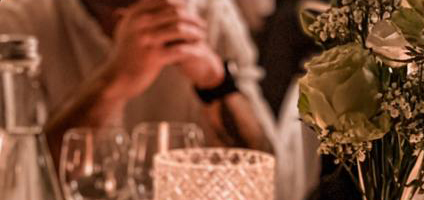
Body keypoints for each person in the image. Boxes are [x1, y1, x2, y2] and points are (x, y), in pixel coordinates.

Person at [0, 0, 275, 162]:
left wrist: (216, 83)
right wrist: (112, 83)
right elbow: (17, 190)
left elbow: (270, 190)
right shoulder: (18, 21)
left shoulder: (210, 13)